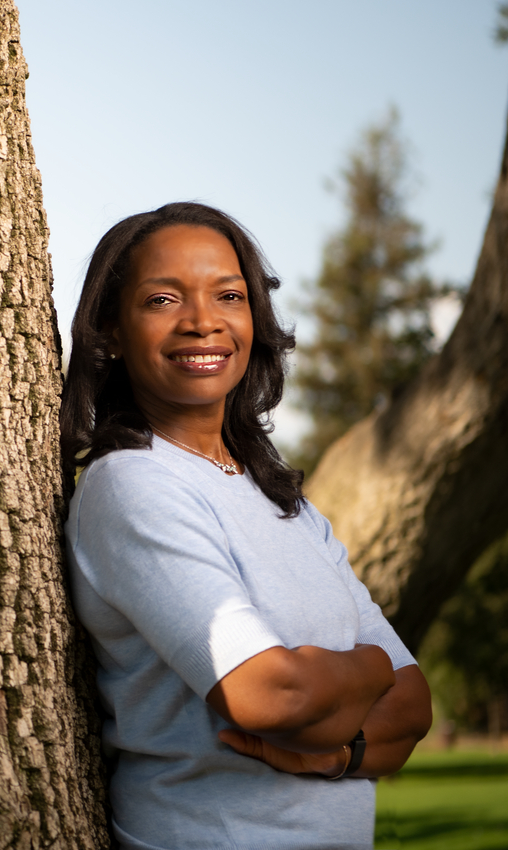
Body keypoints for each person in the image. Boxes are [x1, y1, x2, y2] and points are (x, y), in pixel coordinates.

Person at [59, 203, 432, 850]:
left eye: (228, 295)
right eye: (162, 299)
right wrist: (369, 667)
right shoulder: (133, 483)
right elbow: (265, 695)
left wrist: (337, 754)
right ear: (112, 331)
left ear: (253, 319)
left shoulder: (280, 497)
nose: (203, 321)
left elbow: (413, 708)